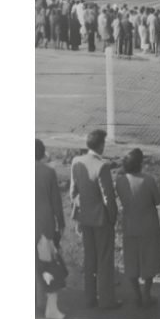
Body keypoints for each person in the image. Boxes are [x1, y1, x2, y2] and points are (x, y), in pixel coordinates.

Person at [70, 129, 121, 309]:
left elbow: (73, 192)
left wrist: (82, 209)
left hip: (85, 218)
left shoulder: (76, 162)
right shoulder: (102, 166)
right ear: (101, 145)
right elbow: (108, 197)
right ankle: (107, 300)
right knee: (104, 260)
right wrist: (112, 217)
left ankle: (90, 297)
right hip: (101, 219)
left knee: (89, 259)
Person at [113, 148, 160, 307]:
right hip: (148, 225)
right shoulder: (148, 179)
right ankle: (146, 294)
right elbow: (158, 200)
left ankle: (136, 295)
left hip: (129, 224)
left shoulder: (120, 181)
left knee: (131, 260)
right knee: (149, 260)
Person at [35, 139, 66, 319]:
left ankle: (37, 304)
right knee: (49, 266)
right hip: (43, 227)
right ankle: (50, 308)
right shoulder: (48, 172)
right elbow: (56, 201)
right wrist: (60, 223)